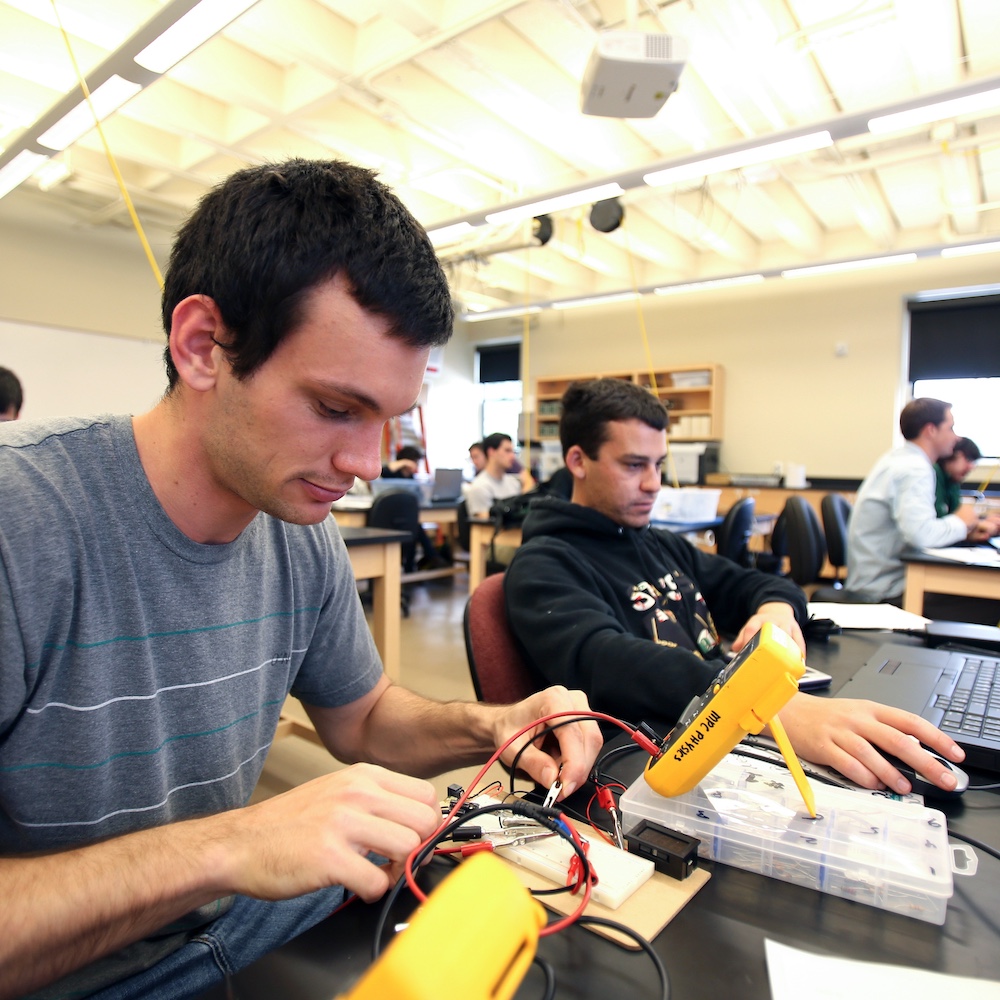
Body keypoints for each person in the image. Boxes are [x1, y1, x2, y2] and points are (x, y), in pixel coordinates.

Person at [0, 159, 602, 1000]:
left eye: (386, 419)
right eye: (334, 407)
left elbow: (362, 719)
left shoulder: (296, 527)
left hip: (232, 930)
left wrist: (495, 724)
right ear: (203, 346)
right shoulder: (20, 523)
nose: (363, 465)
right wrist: (228, 845)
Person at [504, 377, 967, 802]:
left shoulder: (657, 543)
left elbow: (755, 582)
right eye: (633, 465)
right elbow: (606, 660)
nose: (653, 484)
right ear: (578, 461)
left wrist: (776, 610)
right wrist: (760, 706)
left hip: (725, 734)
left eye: (659, 464)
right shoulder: (544, 563)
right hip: (646, 773)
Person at [846, 398, 999, 603]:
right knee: (988, 600)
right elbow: (920, 536)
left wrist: (966, 529)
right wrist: (961, 522)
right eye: (951, 428)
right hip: (886, 588)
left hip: (881, 578)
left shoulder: (900, 458)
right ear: (930, 430)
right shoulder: (914, 469)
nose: (955, 437)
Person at [464, 432, 528, 517]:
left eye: (513, 451)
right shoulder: (479, 487)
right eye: (507, 451)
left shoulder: (514, 483)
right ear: (491, 452)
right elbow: (482, 526)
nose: (512, 456)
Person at [934, 437, 981, 516]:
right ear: (953, 453)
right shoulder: (933, 474)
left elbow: (956, 514)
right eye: (968, 459)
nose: (971, 467)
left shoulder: (953, 480)